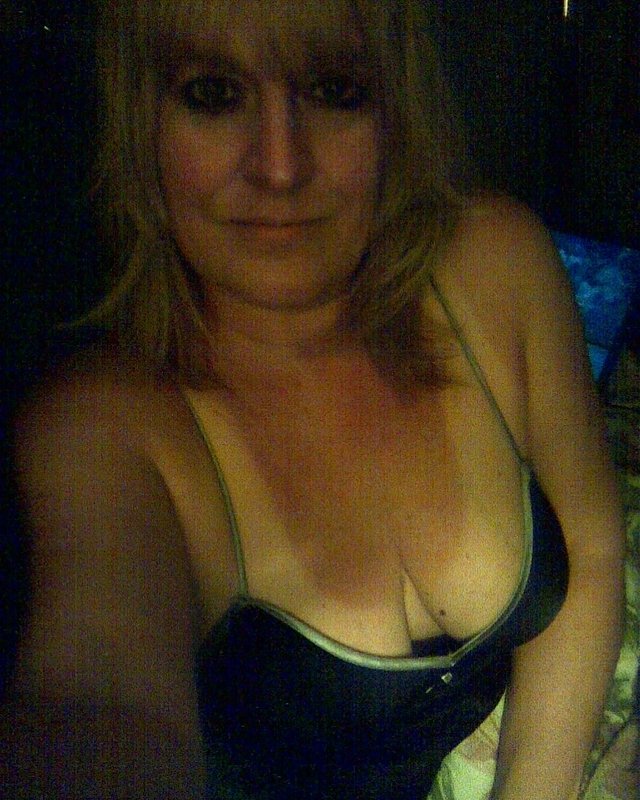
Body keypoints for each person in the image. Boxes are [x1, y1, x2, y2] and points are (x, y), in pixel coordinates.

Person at [0, 1, 625, 798]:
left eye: (334, 90)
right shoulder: (101, 428)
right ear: (141, 125)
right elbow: (98, 700)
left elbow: (591, 551)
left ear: (397, 108)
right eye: (214, 94)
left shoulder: (495, 264)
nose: (281, 167)